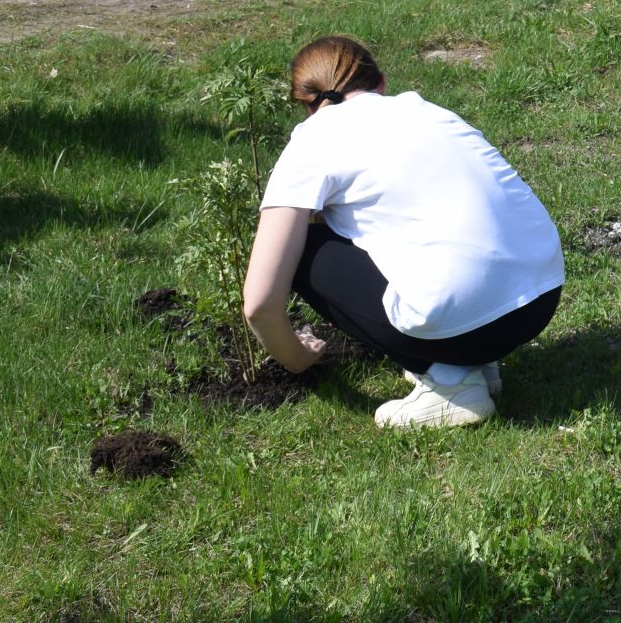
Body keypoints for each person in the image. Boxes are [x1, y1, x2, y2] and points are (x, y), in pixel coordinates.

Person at [241, 36, 565, 428]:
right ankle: (475, 357)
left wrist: (296, 358)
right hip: (541, 296)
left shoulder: (312, 138)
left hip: (473, 318)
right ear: (381, 82)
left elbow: (259, 302)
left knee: (304, 249)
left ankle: (452, 382)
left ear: (306, 105)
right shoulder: (427, 111)